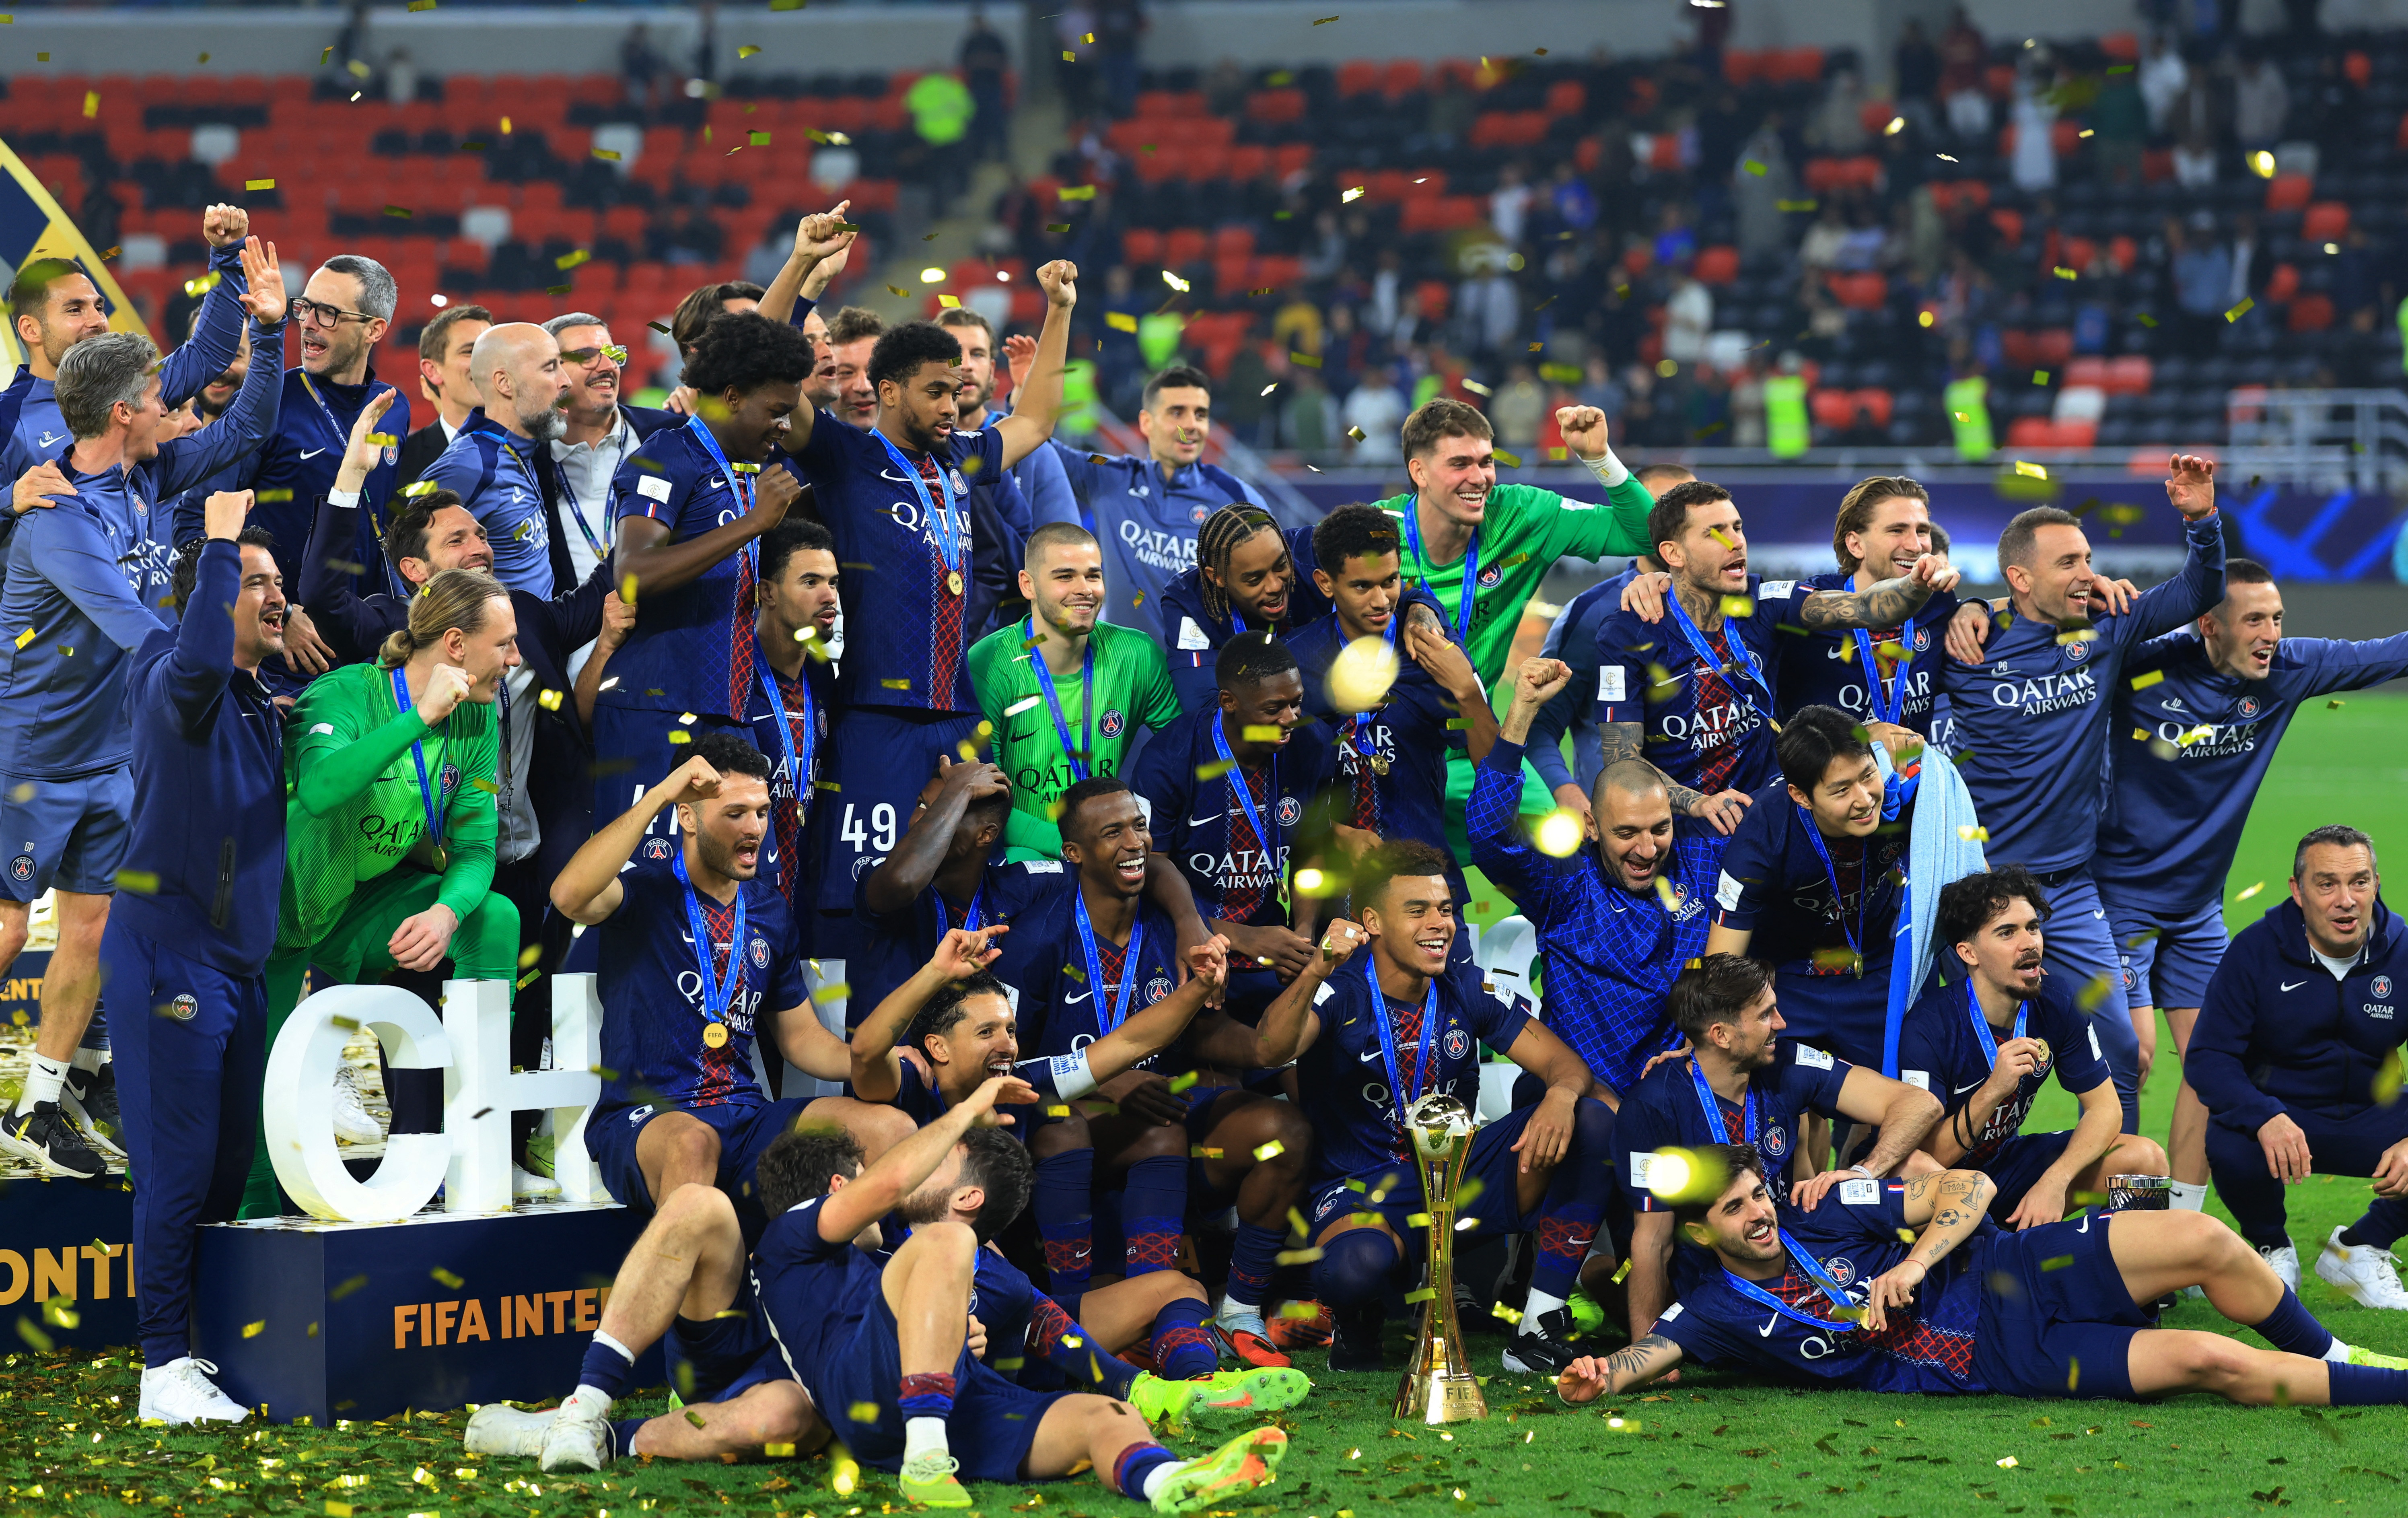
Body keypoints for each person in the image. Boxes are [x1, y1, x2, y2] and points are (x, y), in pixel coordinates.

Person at [463, 1129, 1296, 1469]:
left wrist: (960, 1337)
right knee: (698, 1204)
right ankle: (584, 1405)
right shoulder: (812, 1235)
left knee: (785, 1413)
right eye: (873, 1176)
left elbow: (1040, 1321)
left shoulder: (923, 1255)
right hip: (738, 1347)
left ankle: (592, 1435)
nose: (895, 1180)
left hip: (825, 1390)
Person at [0, 247, 288, 1178]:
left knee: (90, 927)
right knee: (8, 929)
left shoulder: (145, 480)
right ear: (125, 414)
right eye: (160, 398)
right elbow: (143, 634)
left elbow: (247, 426)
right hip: (28, 756)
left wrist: (271, 330)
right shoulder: (60, 520)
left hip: (111, 754)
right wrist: (223, 676)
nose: (177, 408)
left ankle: (38, 1107)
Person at [1557, 1141, 2408, 1409]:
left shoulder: (1826, 1205)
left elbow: (1968, 1187)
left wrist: (1915, 1259)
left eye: (1757, 1193)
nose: (1758, 1212)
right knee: (2206, 1358)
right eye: (1736, 1208)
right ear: (1700, 1231)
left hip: (2015, 1266)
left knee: (2204, 1236)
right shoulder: (1712, 1308)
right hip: (2002, 1359)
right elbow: (1642, 1357)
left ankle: (2336, 1348)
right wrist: (1600, 1372)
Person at [2098, 562, 2408, 1218]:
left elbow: (2388, 653)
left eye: (2277, 619)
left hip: (2197, 909)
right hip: (2117, 898)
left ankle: (2177, 1222)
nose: (2271, 633)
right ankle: (2124, 1219)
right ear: (2209, 625)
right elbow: (2052, 643)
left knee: (2215, 1062)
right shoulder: (2143, 665)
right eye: (2254, 620)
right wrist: (1980, 611)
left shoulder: (2288, 669)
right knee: (2133, 1052)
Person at [1235, 840, 1612, 1375]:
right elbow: (1269, 1050)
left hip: (1455, 1177)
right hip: (1362, 1188)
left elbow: (1564, 1064)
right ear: (1372, 921)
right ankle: (1358, 1315)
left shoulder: (1465, 987)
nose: (1439, 924)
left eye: (1445, 909)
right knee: (1352, 1268)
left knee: (1591, 1118)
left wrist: (1560, 1095)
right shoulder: (1341, 990)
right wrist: (1316, 967)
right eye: (1417, 910)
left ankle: (1538, 1323)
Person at [792, 247, 1084, 932]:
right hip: (874, 712)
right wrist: (803, 283)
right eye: (935, 392)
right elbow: (777, 386)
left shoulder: (960, 457)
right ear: (889, 391)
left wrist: (1059, 311)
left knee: (966, 880)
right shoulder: (843, 456)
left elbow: (1035, 421)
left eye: (956, 391)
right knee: (863, 891)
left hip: (958, 713)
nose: (952, 405)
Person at [1941, 455, 2227, 1132]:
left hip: (2067, 889)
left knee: (2120, 1048)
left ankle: (2120, 1186)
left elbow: (2198, 589)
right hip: (1976, 886)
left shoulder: (2106, 625)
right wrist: (1970, 609)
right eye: (2067, 561)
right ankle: (1914, 1182)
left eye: (2088, 558)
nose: (2086, 573)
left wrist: (2201, 520)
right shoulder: (1966, 645)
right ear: (2020, 578)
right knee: (1949, 1051)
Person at [989, 777, 1313, 1366]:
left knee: (1279, 1130)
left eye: (1138, 826)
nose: (1133, 841)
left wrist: (1265, 1046)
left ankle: (1224, 1311)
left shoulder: (1173, 927)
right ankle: (1074, 1318)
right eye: (1111, 832)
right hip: (1054, 1126)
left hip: (1158, 1119)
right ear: (1074, 852)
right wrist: (1105, 1078)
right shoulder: (1037, 937)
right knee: (1065, 1125)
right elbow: (1000, 1066)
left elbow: (1206, 1032)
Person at [241, 569, 524, 1217]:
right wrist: (420, 718)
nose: (515, 659)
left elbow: (477, 847)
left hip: (357, 910)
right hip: (278, 919)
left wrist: (446, 913)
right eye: (504, 644)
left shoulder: (477, 719)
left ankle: (474, 1149)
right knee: (262, 1103)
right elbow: (321, 790)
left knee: (494, 918)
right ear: (455, 645)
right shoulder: (343, 693)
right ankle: (253, 1241)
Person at [91, 492, 285, 1423]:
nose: (275, 596)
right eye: (255, 582)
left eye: (278, 582)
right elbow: (201, 660)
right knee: (175, 1170)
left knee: (223, 1169)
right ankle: (160, 1367)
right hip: (170, 953)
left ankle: (195, 1348)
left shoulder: (254, 701)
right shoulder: (171, 672)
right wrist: (216, 544)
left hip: (235, 965)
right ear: (208, 597)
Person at [548, 734, 908, 1216]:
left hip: (744, 1113)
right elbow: (568, 896)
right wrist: (661, 794)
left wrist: (875, 1057)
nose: (755, 828)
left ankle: (873, 1265)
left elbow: (801, 1037)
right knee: (694, 1143)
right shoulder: (642, 893)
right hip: (650, 1118)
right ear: (688, 816)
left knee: (892, 1130)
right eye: (736, 813)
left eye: (761, 812)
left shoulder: (769, 910)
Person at [1535, 480, 1954, 842]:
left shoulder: (1766, 602)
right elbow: (1623, 761)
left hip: (1771, 827)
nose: (1735, 541)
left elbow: (1867, 607)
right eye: (1715, 533)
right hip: (1683, 839)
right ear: (1673, 553)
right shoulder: (1628, 633)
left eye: (1737, 527)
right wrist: (1698, 803)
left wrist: (1915, 583)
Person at [850, 906, 1227, 1304]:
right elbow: (865, 1051)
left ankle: (1079, 1310)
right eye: (987, 1032)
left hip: (983, 1274)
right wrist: (936, 972)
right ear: (937, 1047)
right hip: (893, 1281)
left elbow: (1132, 1042)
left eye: (1011, 1030)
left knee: (1177, 1294)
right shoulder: (910, 1083)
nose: (1008, 1045)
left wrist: (1200, 986)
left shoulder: (1021, 1081)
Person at [1614, 954, 1943, 1345]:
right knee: (1614, 1272)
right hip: (1723, 1271)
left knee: (1916, 1166)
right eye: (1766, 1014)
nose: (1782, 1023)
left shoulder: (1786, 1063)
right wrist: (1645, 1348)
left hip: (1796, 1238)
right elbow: (1654, 1240)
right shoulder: (1653, 1106)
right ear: (1721, 1034)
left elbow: (1920, 1104)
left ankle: (1956, 1281)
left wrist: (1864, 1171)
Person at [598, 309, 814, 842]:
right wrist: (754, 524)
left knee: (731, 876)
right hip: (656, 709)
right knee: (644, 878)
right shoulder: (667, 456)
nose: (785, 427)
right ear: (733, 397)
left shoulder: (745, 472)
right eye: (776, 412)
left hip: (725, 711)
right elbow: (632, 574)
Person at [1467, 657, 1721, 1099]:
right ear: (1592, 826)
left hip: (1677, 1096)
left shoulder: (1703, 859)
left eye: (1660, 828)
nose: (1647, 849)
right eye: (1627, 833)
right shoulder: (1564, 884)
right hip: (1582, 1095)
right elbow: (1489, 835)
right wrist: (1522, 711)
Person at [2190, 826, 2408, 1308]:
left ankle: (2361, 1246)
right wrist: (2264, 1115)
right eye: (2327, 883)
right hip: (2283, 1115)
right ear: (2297, 889)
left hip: (2373, 1113)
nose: (2346, 900)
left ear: (2376, 884)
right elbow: (2209, 1056)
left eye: (2359, 881)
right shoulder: (2254, 950)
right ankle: (2273, 1247)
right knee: (2230, 1134)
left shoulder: (2404, 951)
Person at [1898, 867, 2167, 1226]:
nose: (2030, 943)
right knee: (1917, 1174)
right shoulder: (1928, 1026)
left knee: (2144, 1160)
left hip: (2004, 1165)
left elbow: (2106, 1109)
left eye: (2033, 927)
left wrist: (2056, 1181)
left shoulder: (2056, 1000)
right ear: (1969, 952)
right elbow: (1924, 1156)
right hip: (1936, 1188)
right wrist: (1993, 1090)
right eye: (2007, 932)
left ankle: (2135, 1257)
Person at [1285, 502, 1498, 937]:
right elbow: (1277, 781)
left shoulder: (1431, 649)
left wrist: (1467, 694)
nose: (1381, 600)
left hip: (1430, 891)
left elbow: (1493, 765)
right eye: (1362, 586)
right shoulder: (1296, 662)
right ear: (1325, 583)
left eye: (1390, 581)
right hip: (1332, 902)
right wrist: (1333, 832)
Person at [1126, 634, 1350, 1018]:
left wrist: (1302, 932)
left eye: (1297, 702)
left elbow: (1310, 847)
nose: (1291, 719)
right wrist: (1240, 936)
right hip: (1185, 937)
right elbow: (1150, 863)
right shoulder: (1170, 758)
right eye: (1273, 708)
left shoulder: (1312, 743)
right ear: (1229, 702)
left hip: (1272, 943)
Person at [1704, 706, 1916, 1068]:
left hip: (1880, 969)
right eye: (1842, 790)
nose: (1865, 799)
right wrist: (1701, 1045)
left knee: (1914, 1084)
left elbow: (1974, 882)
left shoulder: (1912, 792)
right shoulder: (1763, 834)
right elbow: (1722, 961)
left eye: (1868, 775)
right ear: (1801, 796)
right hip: (1788, 982)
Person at [969, 521, 1180, 858]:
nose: (1085, 589)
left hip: (1106, 853)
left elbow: (1183, 755)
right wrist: (1075, 847)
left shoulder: (1136, 655)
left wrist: (1142, 827)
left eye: (1093, 576)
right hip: (1018, 857)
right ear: (1028, 585)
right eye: (1065, 577)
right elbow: (979, 798)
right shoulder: (989, 664)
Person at [1157, 502, 1444, 716]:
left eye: (1281, 566)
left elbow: (1385, 587)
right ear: (1216, 577)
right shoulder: (1188, 600)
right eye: (1255, 579)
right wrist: (1325, 697)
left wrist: (1421, 607)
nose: (1275, 586)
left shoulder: (1309, 552)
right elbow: (1207, 712)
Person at [236, 253, 408, 608]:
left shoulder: (394, 409)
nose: (309, 323)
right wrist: (282, 614)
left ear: (374, 330)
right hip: (287, 627)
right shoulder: (267, 401)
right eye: (306, 307)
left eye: (329, 313)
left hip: (366, 623)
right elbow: (210, 518)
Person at [1051, 365, 1270, 641]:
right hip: (1122, 665)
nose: (1191, 425)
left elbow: (1271, 587)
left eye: (1200, 414)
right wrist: (1024, 392)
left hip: (1203, 667)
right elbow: (1036, 445)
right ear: (1147, 422)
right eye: (1177, 413)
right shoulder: (1109, 477)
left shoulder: (1238, 500)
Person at [1527, 461, 1694, 809]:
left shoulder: (1735, 606)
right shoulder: (1592, 614)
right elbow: (1541, 728)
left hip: (1721, 819)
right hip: (1620, 826)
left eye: (1689, 515)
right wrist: (1566, 793)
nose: (1677, 527)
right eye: (1661, 512)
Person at [1763, 476, 1965, 733]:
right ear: (1856, 545)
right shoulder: (1810, 606)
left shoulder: (1937, 601)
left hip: (1915, 761)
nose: (1916, 546)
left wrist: (1975, 607)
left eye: (1922, 531)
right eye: (1897, 531)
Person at [422, 321, 570, 597]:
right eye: (550, 368)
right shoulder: (469, 467)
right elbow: (410, 566)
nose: (566, 381)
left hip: (544, 623)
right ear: (504, 383)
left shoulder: (524, 447)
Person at [541, 311, 681, 595]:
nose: (608, 366)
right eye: (587, 356)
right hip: (572, 622)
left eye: (613, 354)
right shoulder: (527, 457)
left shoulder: (670, 435)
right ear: (550, 369)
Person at [744, 518, 840, 917]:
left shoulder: (824, 676)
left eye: (833, 582)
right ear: (767, 592)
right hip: (749, 899)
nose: (829, 596)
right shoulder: (735, 674)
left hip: (810, 898)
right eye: (810, 582)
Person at [940, 307, 1079, 542]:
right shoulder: (914, 450)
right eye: (954, 355)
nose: (966, 365)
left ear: (992, 370)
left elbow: (1066, 548)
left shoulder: (1034, 452)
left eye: (978, 354)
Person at [395, 301, 492, 488]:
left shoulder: (535, 449)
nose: (487, 362)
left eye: (492, 351)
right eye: (470, 352)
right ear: (432, 371)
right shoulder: (400, 461)